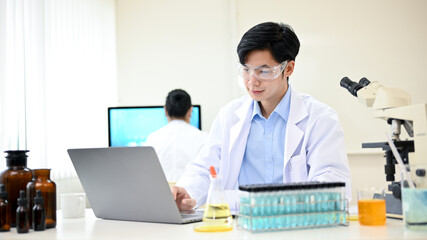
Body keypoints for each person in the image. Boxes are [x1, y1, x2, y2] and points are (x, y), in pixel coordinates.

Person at [172, 22, 351, 210]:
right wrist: (187, 191)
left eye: (264, 71)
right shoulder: (230, 115)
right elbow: (205, 167)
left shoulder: (320, 118)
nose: (252, 81)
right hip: (242, 226)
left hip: (297, 224)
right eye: (246, 70)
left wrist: (267, 203)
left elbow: (333, 187)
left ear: (288, 68)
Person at [146, 89, 208, 182]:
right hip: (191, 195)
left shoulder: (152, 139)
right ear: (190, 111)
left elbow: (148, 174)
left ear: (165, 110)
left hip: (161, 194)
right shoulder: (204, 138)